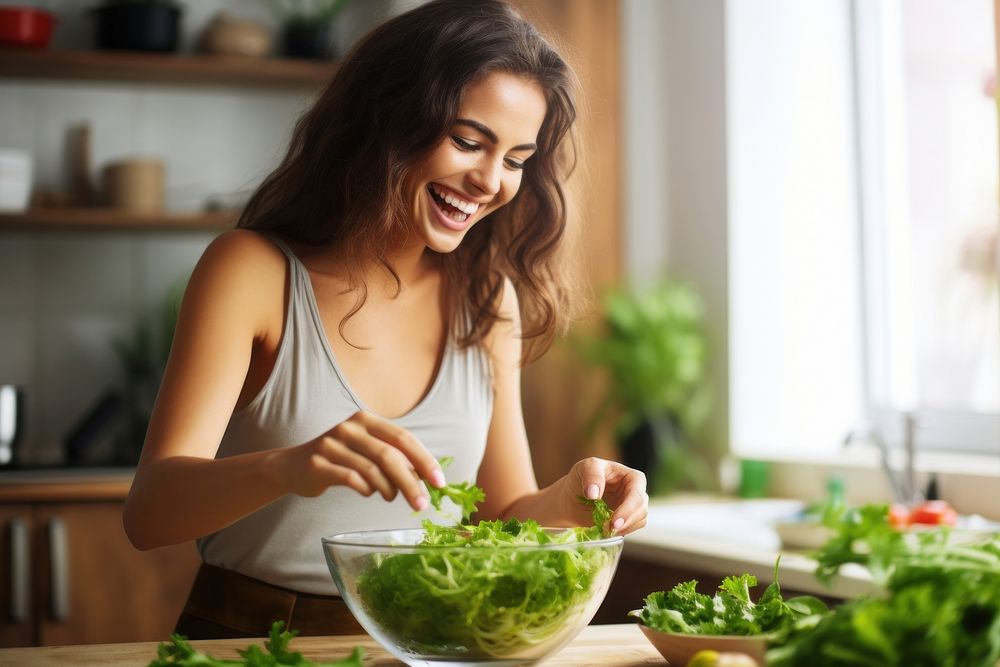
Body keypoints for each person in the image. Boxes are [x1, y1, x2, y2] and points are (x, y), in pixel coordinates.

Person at [123, 0, 648, 639]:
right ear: (388, 120)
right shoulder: (251, 272)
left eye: (514, 159)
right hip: (251, 642)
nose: (489, 181)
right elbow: (149, 515)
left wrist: (567, 503)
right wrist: (285, 467)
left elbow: (502, 513)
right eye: (467, 141)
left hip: (426, 641)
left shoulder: (487, 299)